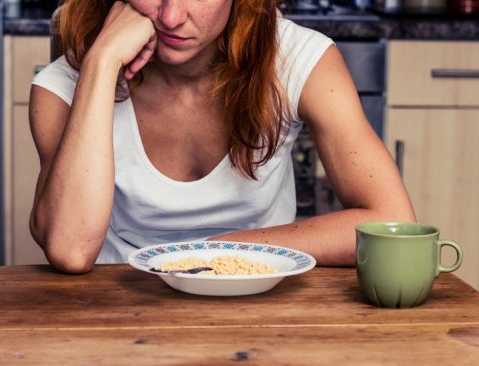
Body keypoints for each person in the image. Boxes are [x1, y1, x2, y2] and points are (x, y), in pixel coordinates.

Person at [29, 0, 415, 274]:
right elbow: (70, 252)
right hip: (117, 300)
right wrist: (101, 62)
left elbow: (390, 220)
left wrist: (215, 253)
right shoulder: (61, 86)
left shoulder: (297, 57)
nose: (172, 16)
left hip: (258, 290)